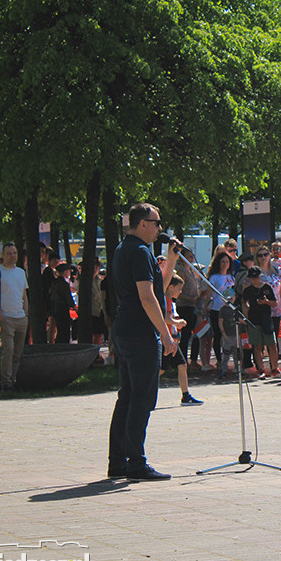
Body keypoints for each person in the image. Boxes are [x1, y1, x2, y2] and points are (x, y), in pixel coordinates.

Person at [107, 203, 179, 482]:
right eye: (157, 222)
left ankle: (118, 462)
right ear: (142, 224)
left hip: (125, 330)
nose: (160, 228)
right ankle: (136, 462)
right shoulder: (139, 251)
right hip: (140, 333)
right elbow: (147, 297)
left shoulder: (125, 249)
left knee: (127, 397)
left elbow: (157, 287)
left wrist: (171, 261)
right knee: (142, 398)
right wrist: (165, 333)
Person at [0, 243, 29, 392]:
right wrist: (0, 315)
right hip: (6, 317)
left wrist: (26, 314)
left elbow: (24, 295)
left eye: (14, 253)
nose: (12, 256)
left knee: (18, 352)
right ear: (3, 255)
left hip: (21, 317)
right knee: (8, 350)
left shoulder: (21, 272)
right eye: (9, 253)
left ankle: (13, 379)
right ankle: (5, 382)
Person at [163, 274, 202, 405]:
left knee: (182, 364)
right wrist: (177, 322)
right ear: (171, 287)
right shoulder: (165, 300)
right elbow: (165, 319)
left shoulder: (169, 300)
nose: (180, 292)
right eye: (179, 289)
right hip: (165, 340)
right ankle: (140, 389)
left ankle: (186, 396)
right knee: (160, 370)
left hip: (171, 340)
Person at [241, 265, 280, 380]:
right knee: (257, 346)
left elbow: (275, 303)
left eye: (256, 277)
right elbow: (244, 302)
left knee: (272, 345)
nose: (254, 280)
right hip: (253, 319)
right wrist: (246, 313)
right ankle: (260, 369)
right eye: (252, 278)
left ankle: (274, 368)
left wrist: (266, 302)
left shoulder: (267, 288)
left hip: (266, 318)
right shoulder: (248, 290)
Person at [206, 252, 235, 371]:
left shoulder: (231, 277)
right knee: (218, 335)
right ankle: (219, 360)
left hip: (228, 310)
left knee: (230, 335)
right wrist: (204, 309)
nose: (224, 264)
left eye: (227, 262)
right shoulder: (214, 277)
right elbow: (209, 294)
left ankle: (229, 358)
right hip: (216, 309)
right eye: (222, 261)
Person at [51, 263, 76, 343]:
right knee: (64, 330)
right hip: (63, 309)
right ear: (65, 272)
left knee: (59, 329)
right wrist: (74, 306)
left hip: (56, 308)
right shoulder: (64, 284)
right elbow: (68, 297)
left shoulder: (54, 283)